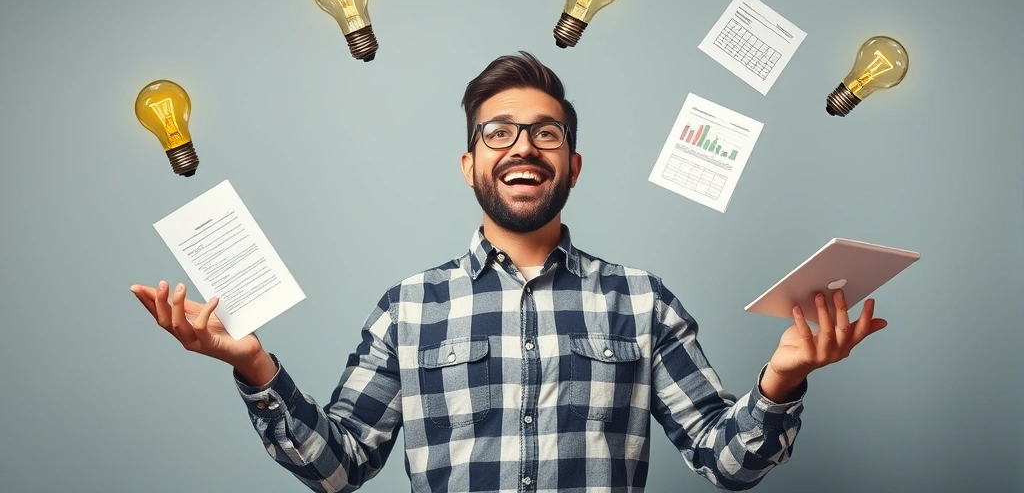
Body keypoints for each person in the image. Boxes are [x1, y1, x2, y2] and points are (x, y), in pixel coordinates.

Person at [131, 51, 887, 493]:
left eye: (546, 132)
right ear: (469, 165)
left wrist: (781, 379)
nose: (523, 145)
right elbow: (339, 467)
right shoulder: (407, 308)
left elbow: (726, 463)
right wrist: (254, 366)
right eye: (499, 131)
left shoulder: (642, 301)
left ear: (573, 166)